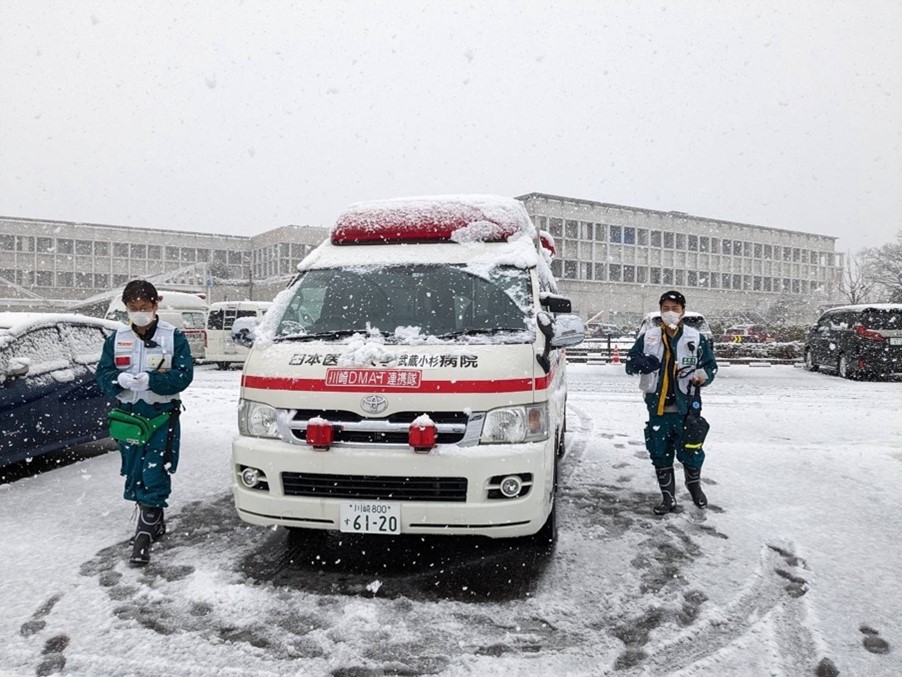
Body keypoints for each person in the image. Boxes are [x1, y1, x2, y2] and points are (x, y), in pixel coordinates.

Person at [95, 280, 194, 566]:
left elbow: (184, 375)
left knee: (155, 468)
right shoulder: (117, 339)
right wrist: (119, 379)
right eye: (133, 307)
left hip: (161, 415)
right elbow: (102, 374)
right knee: (134, 469)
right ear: (126, 308)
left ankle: (144, 533)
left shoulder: (172, 337)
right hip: (129, 417)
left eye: (144, 306)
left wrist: (153, 380)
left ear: (155, 305)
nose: (139, 312)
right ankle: (154, 520)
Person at [625, 290, 717, 514]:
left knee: (691, 449)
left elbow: (710, 366)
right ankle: (668, 497)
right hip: (658, 408)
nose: (670, 313)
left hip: (687, 408)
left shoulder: (695, 338)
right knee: (660, 451)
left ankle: (694, 486)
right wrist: (641, 363)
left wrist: (701, 376)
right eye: (665, 309)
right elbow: (630, 363)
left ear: (683, 311)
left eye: (675, 309)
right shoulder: (649, 337)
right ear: (660, 311)